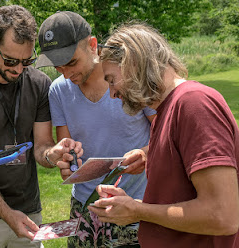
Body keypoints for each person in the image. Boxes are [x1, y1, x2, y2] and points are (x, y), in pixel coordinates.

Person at [90, 22, 239, 247]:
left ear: (134, 63)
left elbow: (223, 216)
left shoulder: (193, 103)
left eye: (111, 80)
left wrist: (138, 210)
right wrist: (147, 158)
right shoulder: (166, 110)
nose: (112, 93)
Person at [0, 5, 83, 248]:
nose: (19, 69)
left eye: (27, 61)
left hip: (29, 210)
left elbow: (42, 145)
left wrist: (52, 155)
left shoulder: (40, 83)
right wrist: (7, 214)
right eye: (10, 60)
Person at [36, 11, 156, 248]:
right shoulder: (58, 91)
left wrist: (145, 154)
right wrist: (66, 161)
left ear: (93, 46)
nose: (67, 74)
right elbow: (67, 149)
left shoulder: (129, 78)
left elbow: (168, 135)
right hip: (85, 208)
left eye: (71, 62)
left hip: (136, 205)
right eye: (58, 67)